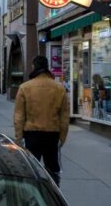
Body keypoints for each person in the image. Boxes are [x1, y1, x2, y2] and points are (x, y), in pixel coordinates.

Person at [14, 55, 70, 186]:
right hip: (52, 134)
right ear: (47, 68)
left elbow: (19, 116)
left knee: (31, 168)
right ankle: (54, 196)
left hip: (32, 134)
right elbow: (64, 118)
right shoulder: (59, 88)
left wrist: (18, 138)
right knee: (52, 169)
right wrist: (62, 138)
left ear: (34, 67)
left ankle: (33, 193)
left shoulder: (24, 87)